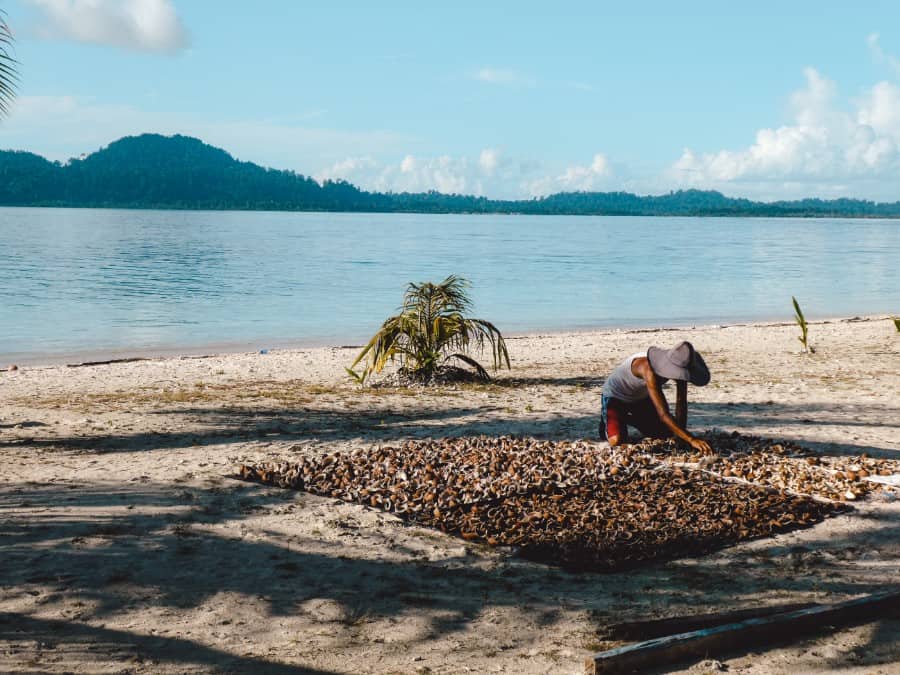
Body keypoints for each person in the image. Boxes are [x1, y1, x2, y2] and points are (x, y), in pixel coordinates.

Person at [600, 341, 712, 453]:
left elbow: (681, 401)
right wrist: (691, 439)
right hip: (615, 397)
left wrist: (681, 437)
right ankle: (612, 419)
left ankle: (632, 419)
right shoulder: (648, 369)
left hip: (641, 397)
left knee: (664, 434)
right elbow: (663, 413)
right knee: (616, 441)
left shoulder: (680, 365)